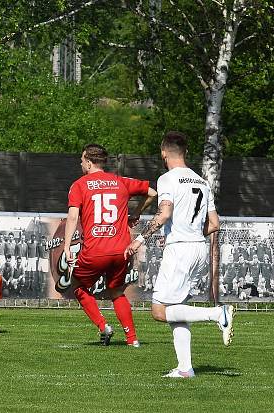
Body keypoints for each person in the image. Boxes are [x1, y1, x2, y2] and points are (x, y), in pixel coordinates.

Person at [124, 131, 235, 379]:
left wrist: (139, 239)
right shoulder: (202, 181)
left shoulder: (167, 179)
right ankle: (185, 368)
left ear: (164, 153)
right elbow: (214, 223)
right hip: (198, 248)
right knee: (176, 309)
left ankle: (218, 314)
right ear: (184, 152)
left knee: (158, 311)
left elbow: (164, 213)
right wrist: (193, 232)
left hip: (180, 249)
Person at [63, 143, 157, 347]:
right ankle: (132, 339)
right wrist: (137, 212)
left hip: (96, 250)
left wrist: (67, 246)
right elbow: (152, 192)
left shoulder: (79, 185)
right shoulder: (120, 181)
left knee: (78, 285)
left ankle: (103, 326)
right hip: (121, 250)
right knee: (116, 292)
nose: (81, 163)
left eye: (81, 160)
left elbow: (72, 218)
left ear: (88, 162)